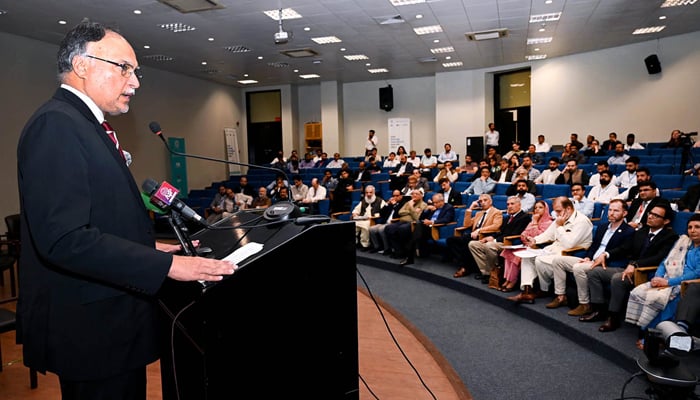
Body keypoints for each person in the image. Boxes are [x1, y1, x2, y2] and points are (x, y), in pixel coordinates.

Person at [15, 20, 236, 399]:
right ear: (83, 66)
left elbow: (97, 220)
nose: (135, 82)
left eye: (136, 72)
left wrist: (147, 249)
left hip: (110, 327)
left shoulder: (82, 124)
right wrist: (168, 266)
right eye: (125, 68)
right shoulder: (57, 125)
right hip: (92, 332)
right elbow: (65, 239)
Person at [580, 203, 678, 331]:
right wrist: (606, 254)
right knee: (594, 272)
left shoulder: (670, 237)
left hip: (646, 272)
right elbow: (625, 248)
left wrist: (635, 265)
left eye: (656, 215)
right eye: (650, 213)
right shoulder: (641, 231)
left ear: (666, 221)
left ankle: (613, 317)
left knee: (617, 278)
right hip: (628, 267)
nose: (650, 217)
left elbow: (659, 258)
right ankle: (598, 310)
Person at [548, 199, 635, 316]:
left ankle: (585, 304)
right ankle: (561, 296)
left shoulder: (629, 231)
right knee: (558, 261)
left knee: (579, 268)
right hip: (591, 261)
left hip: (608, 264)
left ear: (624, 213)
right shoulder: (602, 227)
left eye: (616, 210)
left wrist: (604, 256)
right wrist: (588, 257)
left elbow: (623, 250)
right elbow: (594, 246)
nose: (611, 213)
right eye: (610, 210)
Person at [625, 214, 700, 349]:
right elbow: (665, 261)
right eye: (690, 227)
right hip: (669, 279)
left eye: (697, 227)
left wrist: (669, 282)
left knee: (669, 298)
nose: (692, 230)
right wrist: (658, 278)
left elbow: (697, 273)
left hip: (686, 284)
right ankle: (646, 330)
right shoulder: (683, 243)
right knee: (642, 291)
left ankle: (659, 336)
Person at [508, 197, 593, 304]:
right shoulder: (560, 218)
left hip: (569, 253)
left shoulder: (582, 221)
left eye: (558, 211)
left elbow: (569, 244)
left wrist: (560, 227)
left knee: (539, 260)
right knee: (527, 256)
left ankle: (544, 290)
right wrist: (535, 240)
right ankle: (527, 291)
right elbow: (548, 234)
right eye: (555, 211)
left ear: (568, 209)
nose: (556, 214)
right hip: (553, 250)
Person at [449, 194, 503, 279]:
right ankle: (467, 264)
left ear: (491, 201)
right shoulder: (479, 213)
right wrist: (470, 208)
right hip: (473, 235)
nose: (483, 203)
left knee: (465, 241)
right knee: (451, 240)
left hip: (484, 236)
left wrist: (478, 231)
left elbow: (496, 226)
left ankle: (465, 267)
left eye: (485, 200)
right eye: (480, 201)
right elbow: (466, 224)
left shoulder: (497, 212)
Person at [499, 199, 548, 292]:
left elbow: (538, 236)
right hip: (527, 245)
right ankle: (507, 279)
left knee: (516, 255)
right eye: (536, 208)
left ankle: (513, 280)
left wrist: (535, 223)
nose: (537, 209)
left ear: (546, 209)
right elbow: (524, 234)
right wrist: (526, 238)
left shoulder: (548, 222)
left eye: (540, 207)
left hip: (539, 248)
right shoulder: (533, 220)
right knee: (508, 251)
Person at [400, 193, 455, 265]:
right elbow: (421, 218)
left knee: (417, 229)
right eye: (433, 202)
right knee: (418, 226)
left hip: (436, 228)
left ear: (442, 201)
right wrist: (427, 210)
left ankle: (409, 256)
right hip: (426, 227)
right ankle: (411, 254)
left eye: (436, 203)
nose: (434, 204)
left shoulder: (449, 207)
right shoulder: (433, 208)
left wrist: (432, 222)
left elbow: (447, 219)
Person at [385, 190, 428, 261]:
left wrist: (410, 207)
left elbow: (416, 218)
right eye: (413, 194)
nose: (414, 195)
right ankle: (398, 251)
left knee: (402, 229)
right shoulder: (408, 202)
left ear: (421, 196)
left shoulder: (423, 205)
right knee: (389, 228)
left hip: (412, 223)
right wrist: (411, 211)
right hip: (401, 221)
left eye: (416, 194)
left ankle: (405, 252)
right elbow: (400, 212)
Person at [369, 190, 407, 254]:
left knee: (381, 229)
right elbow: (381, 213)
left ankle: (387, 248)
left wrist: (395, 205)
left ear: (401, 196)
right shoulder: (391, 204)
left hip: (395, 223)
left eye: (397, 196)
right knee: (371, 229)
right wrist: (387, 203)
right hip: (385, 222)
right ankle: (377, 247)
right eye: (393, 196)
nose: (395, 197)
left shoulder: (404, 204)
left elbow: (400, 213)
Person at [351, 185, 386, 251]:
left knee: (365, 226)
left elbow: (384, 212)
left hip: (371, 220)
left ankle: (365, 245)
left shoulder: (380, 201)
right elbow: (356, 209)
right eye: (366, 193)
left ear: (374, 192)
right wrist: (355, 213)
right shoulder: (363, 201)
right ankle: (354, 243)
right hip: (361, 218)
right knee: (353, 225)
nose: (368, 194)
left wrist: (374, 217)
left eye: (370, 192)